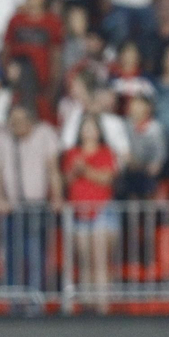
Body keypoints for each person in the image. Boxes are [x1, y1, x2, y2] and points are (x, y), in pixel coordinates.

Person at [0, 102, 63, 301]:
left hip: (36, 206)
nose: (17, 125)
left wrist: (56, 197)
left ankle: (36, 301)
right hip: (11, 208)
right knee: (12, 257)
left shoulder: (45, 134)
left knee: (36, 255)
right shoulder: (3, 138)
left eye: (22, 120)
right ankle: (13, 303)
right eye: (14, 121)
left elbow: (52, 168)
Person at [63, 115, 120, 314]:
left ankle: (103, 306)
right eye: (84, 127)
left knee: (100, 260)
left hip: (102, 211)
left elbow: (107, 179)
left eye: (92, 127)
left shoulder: (106, 152)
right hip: (79, 213)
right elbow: (67, 180)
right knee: (85, 261)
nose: (88, 131)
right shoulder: (72, 153)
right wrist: (75, 171)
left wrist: (84, 169)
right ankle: (87, 305)